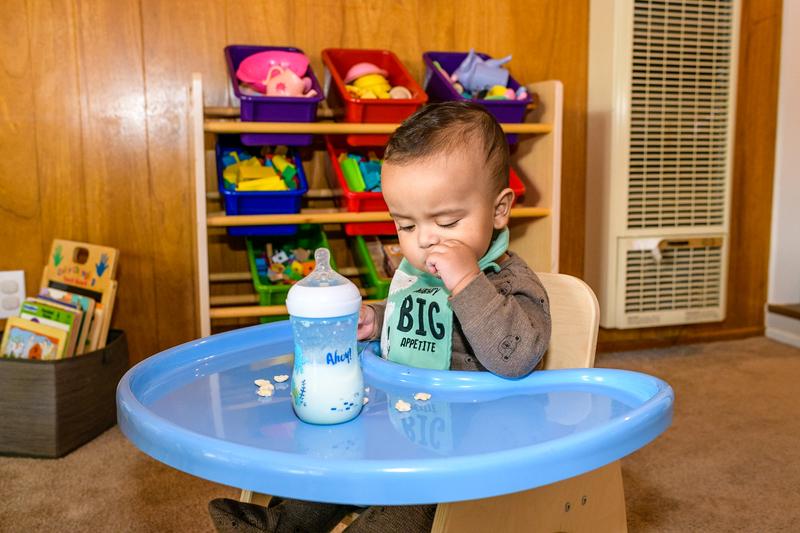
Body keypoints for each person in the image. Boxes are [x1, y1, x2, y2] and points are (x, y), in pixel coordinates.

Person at [209, 101, 552, 533]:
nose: (425, 240)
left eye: (447, 221)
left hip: (467, 455)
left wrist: (467, 282)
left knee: (400, 516)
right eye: (405, 226)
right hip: (399, 424)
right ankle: (277, 523)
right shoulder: (415, 271)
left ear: (499, 210)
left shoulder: (511, 284)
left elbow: (516, 356)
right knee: (327, 467)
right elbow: (419, 315)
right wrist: (377, 316)